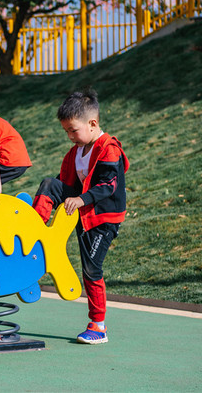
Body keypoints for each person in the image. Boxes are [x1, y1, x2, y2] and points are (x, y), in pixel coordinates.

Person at [32, 89, 129, 344]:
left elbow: (108, 185)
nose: (69, 136)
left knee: (91, 269)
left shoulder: (109, 149)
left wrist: (81, 199)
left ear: (92, 124)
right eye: (66, 131)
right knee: (50, 184)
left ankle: (98, 326)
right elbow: (64, 183)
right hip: (83, 213)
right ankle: (33, 228)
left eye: (73, 130)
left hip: (103, 219)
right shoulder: (75, 152)